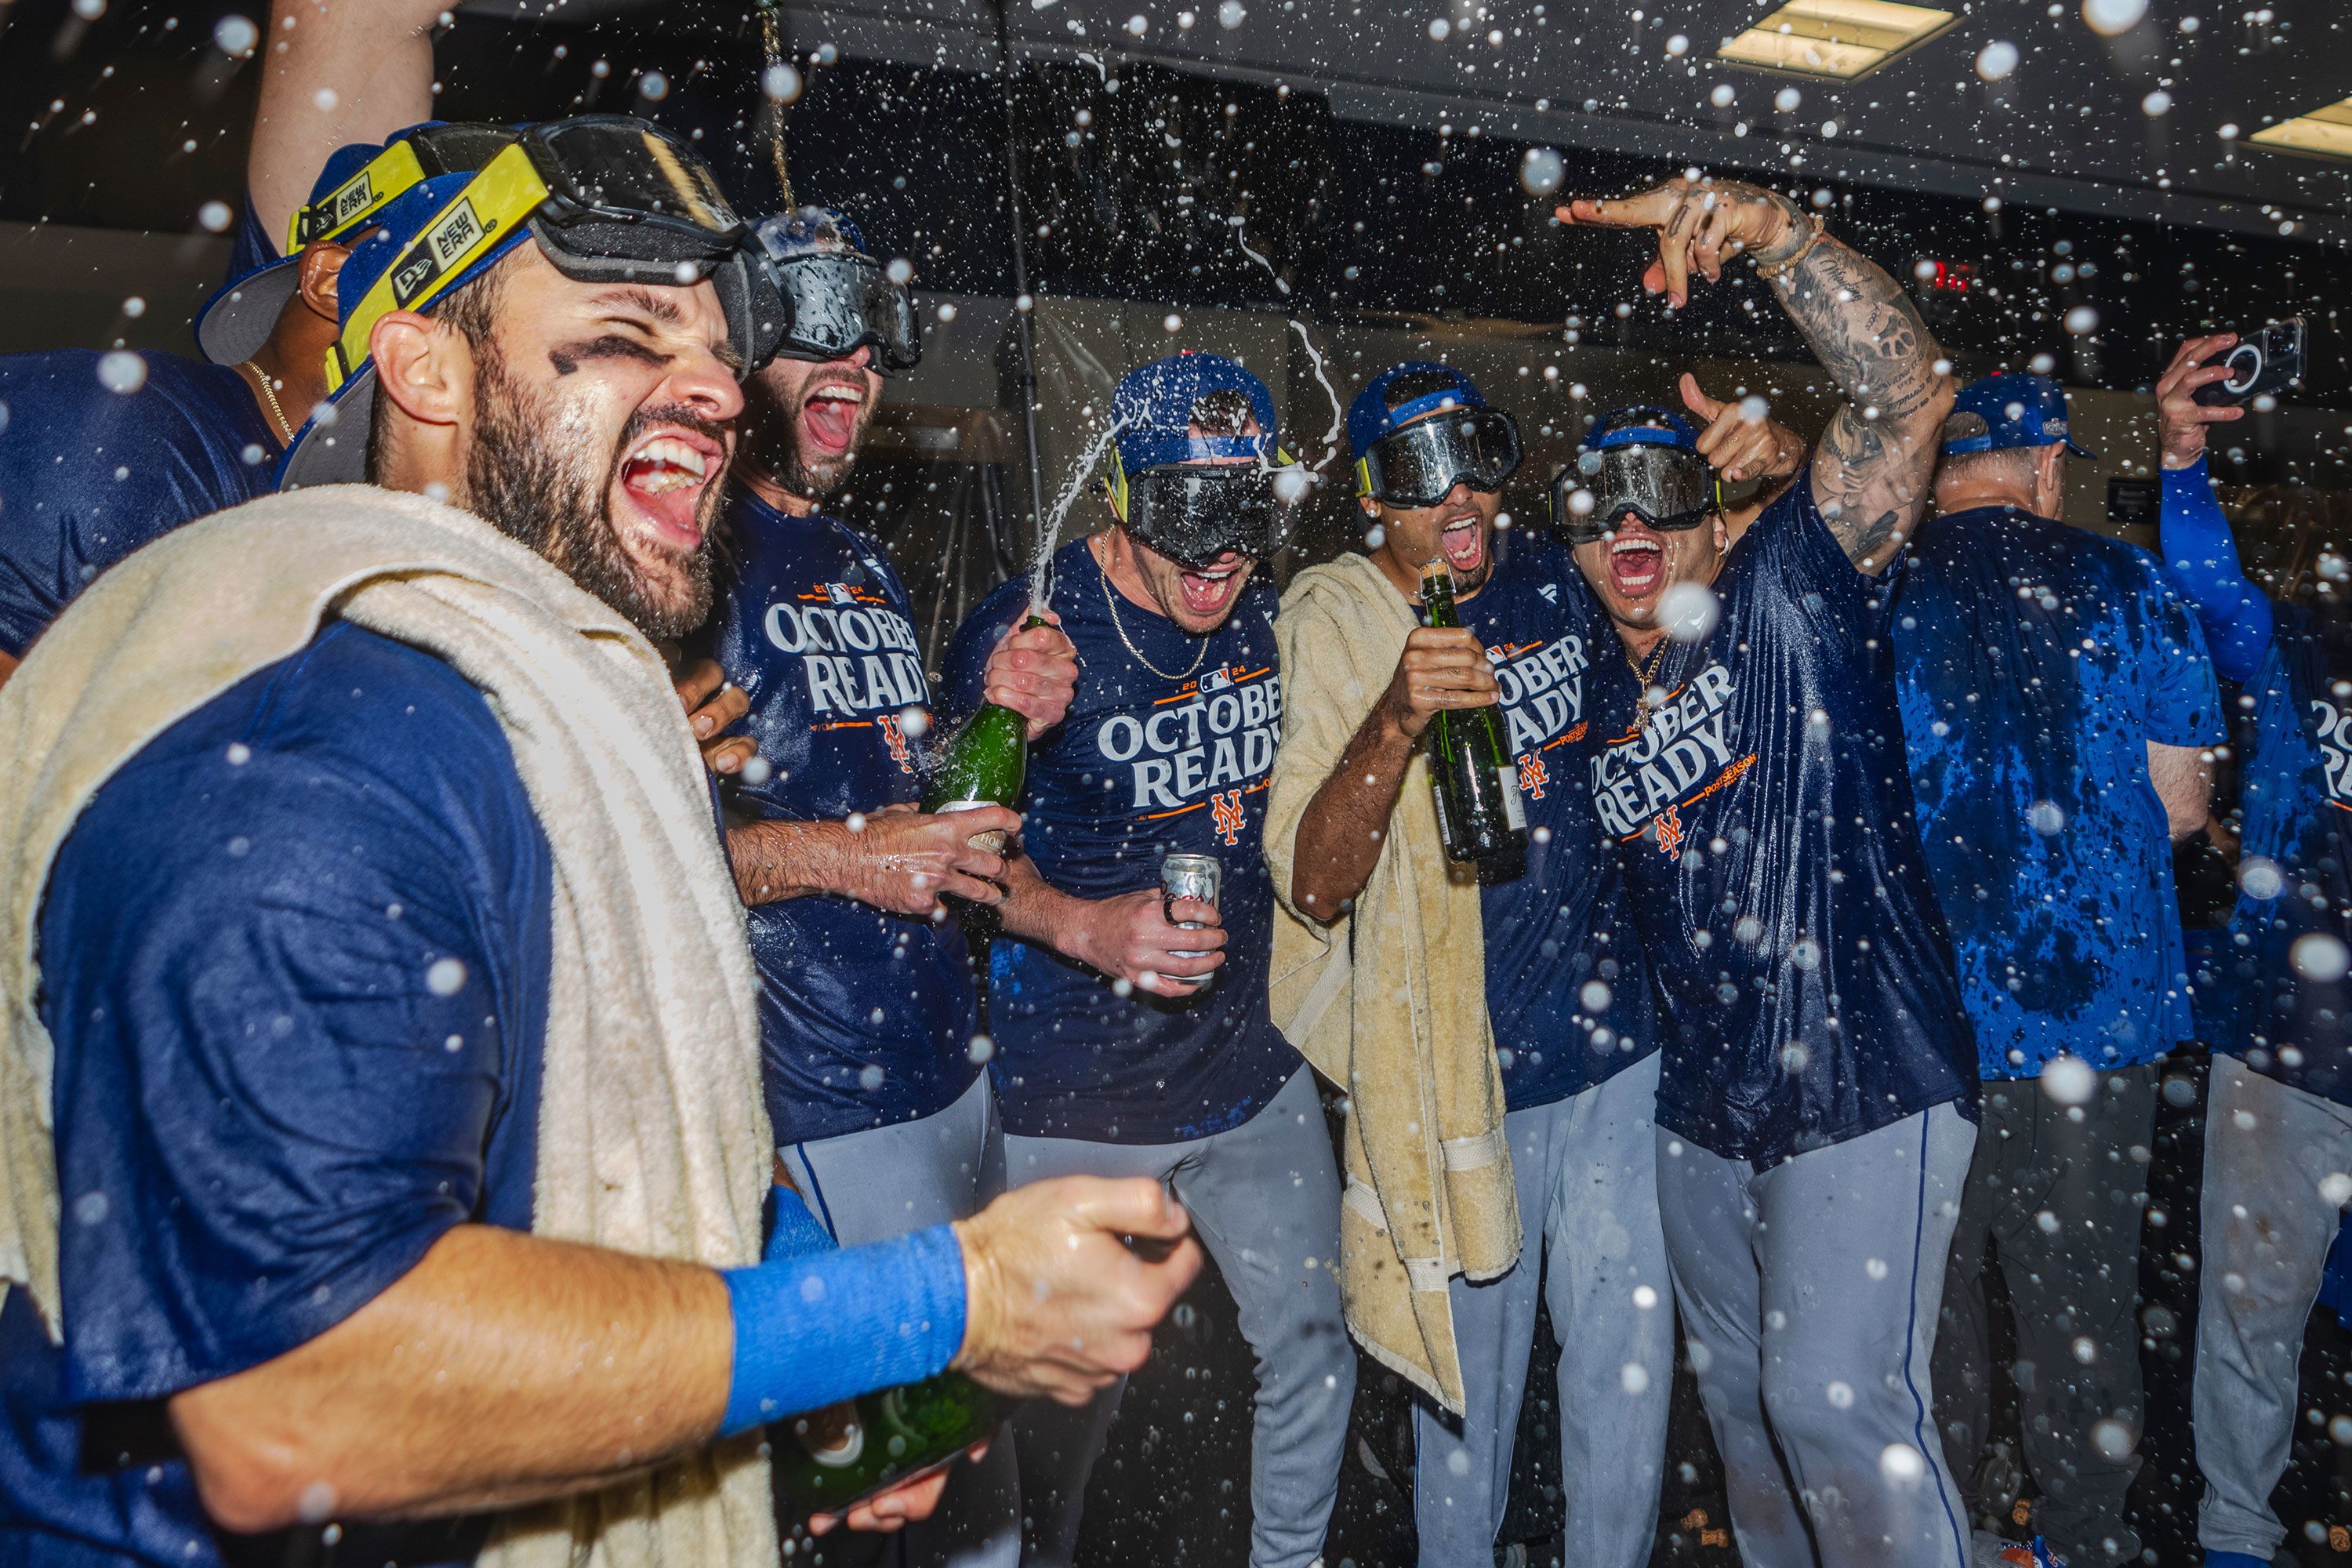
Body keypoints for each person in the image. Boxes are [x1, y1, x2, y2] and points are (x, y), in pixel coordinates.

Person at [0, 120, 1199, 1568]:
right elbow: (294, 1403)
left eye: (711, 345)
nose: (708, 382)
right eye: (625, 332)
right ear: (424, 369)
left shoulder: (529, 710)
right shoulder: (325, 750)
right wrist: (944, 1307)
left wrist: (819, 1384)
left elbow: (614, 1124)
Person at [1555, 177, 1977, 1567]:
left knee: (1837, 1408)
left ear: (1709, 512)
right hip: (1706, 1108)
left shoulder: (1787, 588)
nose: (1630, 523)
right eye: (1596, 507)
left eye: (1660, 492)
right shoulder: (1591, 700)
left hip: (1859, 1072)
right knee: (1744, 1420)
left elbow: (1907, 396)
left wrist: (1778, 237)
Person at [696, 205, 1079, 1568]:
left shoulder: (859, 564)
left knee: (978, 1450)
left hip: (953, 1073)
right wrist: (857, 860)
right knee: (890, 1481)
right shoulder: (695, 555)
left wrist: (996, 717)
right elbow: (666, 843)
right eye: (809, 328)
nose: (850, 357)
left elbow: (922, 810)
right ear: (740, 354)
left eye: (868, 332)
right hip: (828, 1102)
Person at [940, 354, 1352, 1568]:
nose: (1223, 551)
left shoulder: (1274, 622)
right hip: (1076, 1090)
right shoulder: (1031, 634)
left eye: (1248, 510)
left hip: (1246, 1066)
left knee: (1313, 1343)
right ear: (1120, 494)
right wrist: (1084, 923)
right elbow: (949, 856)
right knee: (1052, 1410)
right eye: (1190, 511)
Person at [1271, 361, 1671, 1568]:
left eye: (1477, 454)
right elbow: (1314, 882)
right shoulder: (1336, 621)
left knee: (1624, 1377)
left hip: (1615, 1054)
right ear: (1372, 502)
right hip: (1465, 1080)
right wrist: (1397, 719)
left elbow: (1650, 670)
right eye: (1417, 468)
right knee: (1466, 1406)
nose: (1457, 492)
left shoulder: (1552, 575)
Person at [1893, 372, 2220, 1568]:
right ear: (2048, 465)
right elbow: (2183, 807)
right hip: (2094, 1016)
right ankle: (2082, 1538)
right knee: (2078, 1307)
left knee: (1927, 1304)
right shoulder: (2131, 585)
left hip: (1925, 1022)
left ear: (1936, 474)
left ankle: (1951, 1528)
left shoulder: (1883, 588)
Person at [2152, 332, 2352, 1568]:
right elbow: (2208, 593)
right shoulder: (2307, 650)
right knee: (2250, 1318)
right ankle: (2235, 1538)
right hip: (2288, 1045)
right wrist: (2181, 460)